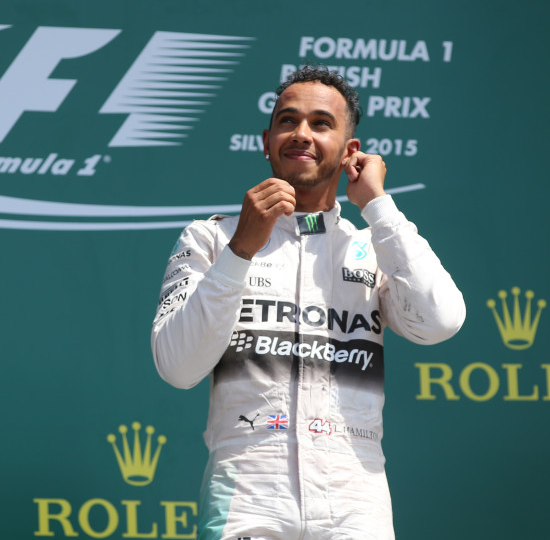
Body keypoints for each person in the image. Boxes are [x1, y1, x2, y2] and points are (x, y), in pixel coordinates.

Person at [150, 66, 465, 540]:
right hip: (246, 495)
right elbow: (177, 367)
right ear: (266, 139)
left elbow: (441, 321)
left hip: (355, 497)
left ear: (348, 150)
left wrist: (378, 204)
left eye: (321, 123)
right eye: (287, 121)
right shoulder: (212, 237)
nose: (301, 134)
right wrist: (241, 250)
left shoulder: (374, 245)